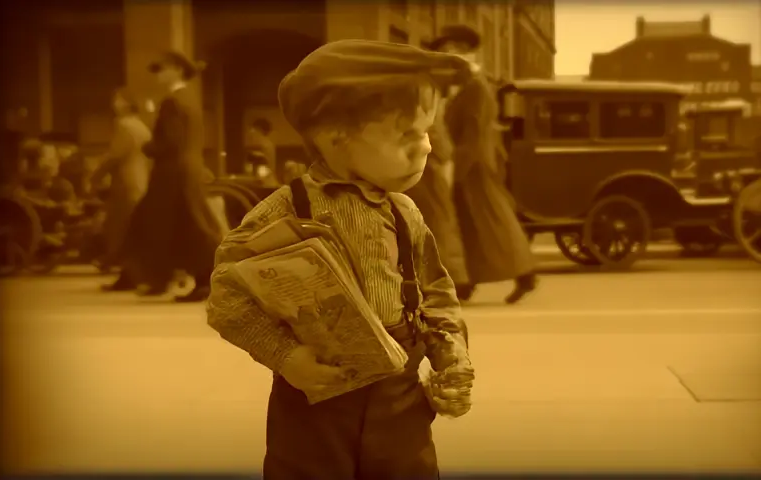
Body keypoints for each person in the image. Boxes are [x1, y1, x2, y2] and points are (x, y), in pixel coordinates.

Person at [206, 39, 475, 479]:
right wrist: (286, 357)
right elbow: (227, 299)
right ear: (336, 138)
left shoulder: (404, 213)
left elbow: (435, 294)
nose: (425, 148)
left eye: (427, 132)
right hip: (317, 396)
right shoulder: (284, 210)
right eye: (407, 135)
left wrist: (452, 359)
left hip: (401, 398)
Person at [429, 25, 537, 303]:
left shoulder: (476, 86)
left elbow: (475, 132)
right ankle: (468, 281)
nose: (445, 54)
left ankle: (525, 274)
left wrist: (457, 169)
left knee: (492, 221)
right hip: (467, 163)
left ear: (465, 51)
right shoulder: (464, 85)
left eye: (450, 49)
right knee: (471, 225)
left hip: (474, 165)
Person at [123, 50, 224, 301]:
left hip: (172, 173)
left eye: (162, 68)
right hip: (186, 170)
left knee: (170, 225)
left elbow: (171, 142)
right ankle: (164, 278)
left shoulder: (173, 101)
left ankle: (194, 278)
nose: (158, 74)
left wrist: (148, 146)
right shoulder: (189, 99)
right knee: (177, 225)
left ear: (178, 70)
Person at [404, 89, 470, 288]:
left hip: (427, 177)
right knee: (440, 225)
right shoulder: (428, 104)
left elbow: (439, 144)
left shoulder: (422, 107)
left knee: (435, 227)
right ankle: (453, 276)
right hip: (430, 176)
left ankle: (450, 277)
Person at [91, 88, 152, 291]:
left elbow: (115, 155)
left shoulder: (124, 125)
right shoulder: (142, 126)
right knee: (131, 231)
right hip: (140, 181)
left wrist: (96, 174)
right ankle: (129, 275)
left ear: (126, 103)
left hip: (126, 184)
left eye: (117, 100)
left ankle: (130, 275)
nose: (113, 104)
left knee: (120, 230)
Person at [245, 117, 278, 185]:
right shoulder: (266, 144)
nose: (251, 132)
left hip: (265, 183)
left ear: (260, 130)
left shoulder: (264, 145)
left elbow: (262, 170)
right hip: (267, 181)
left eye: (254, 129)